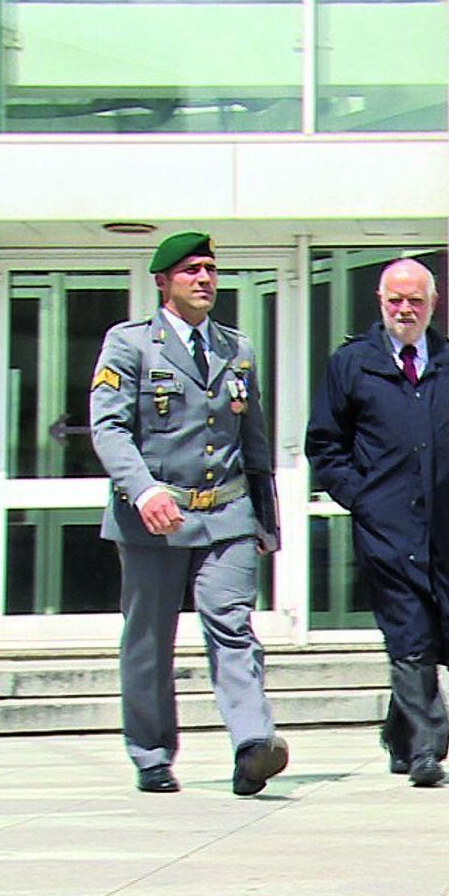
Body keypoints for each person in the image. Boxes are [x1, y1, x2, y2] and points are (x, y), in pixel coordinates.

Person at [90, 230, 288, 795]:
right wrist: (143, 490)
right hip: (155, 519)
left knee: (233, 626)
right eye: (190, 270)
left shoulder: (236, 348)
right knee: (149, 639)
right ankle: (151, 753)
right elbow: (109, 428)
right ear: (162, 282)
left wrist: (265, 520)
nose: (204, 279)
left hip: (227, 514)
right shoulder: (130, 344)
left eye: (210, 269)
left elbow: (254, 441)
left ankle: (252, 744)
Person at [305, 257, 449, 788]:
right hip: (384, 526)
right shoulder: (352, 363)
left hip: (441, 525)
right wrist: (360, 497)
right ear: (380, 302)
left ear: (433, 303)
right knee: (409, 627)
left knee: (431, 624)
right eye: (396, 300)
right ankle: (428, 746)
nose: (405, 310)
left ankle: (398, 734)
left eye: (415, 300)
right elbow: (324, 443)